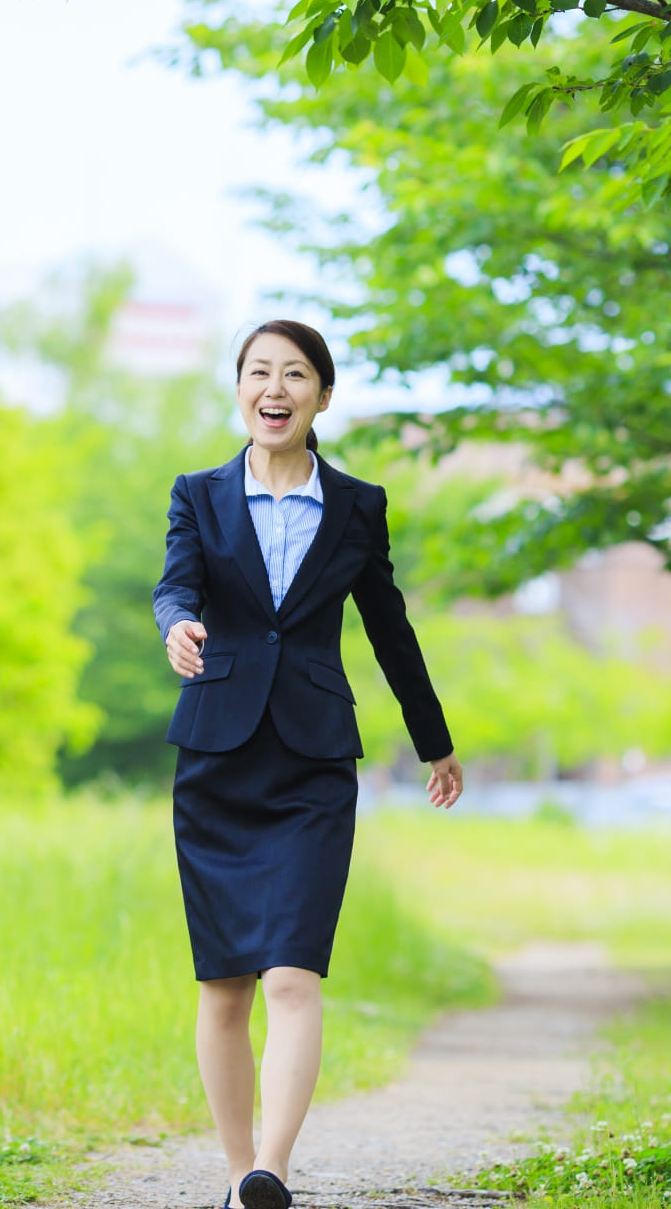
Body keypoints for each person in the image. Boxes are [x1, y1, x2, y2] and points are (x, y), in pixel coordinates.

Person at [152, 319, 464, 1209]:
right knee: (223, 986)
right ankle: (233, 1165)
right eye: (259, 373)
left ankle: (271, 1173)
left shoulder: (358, 506)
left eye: (295, 374)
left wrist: (432, 738)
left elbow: (389, 628)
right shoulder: (199, 494)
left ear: (322, 396)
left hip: (313, 763)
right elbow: (176, 581)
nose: (275, 388)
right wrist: (176, 622)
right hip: (216, 757)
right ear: (241, 390)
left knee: (291, 972)